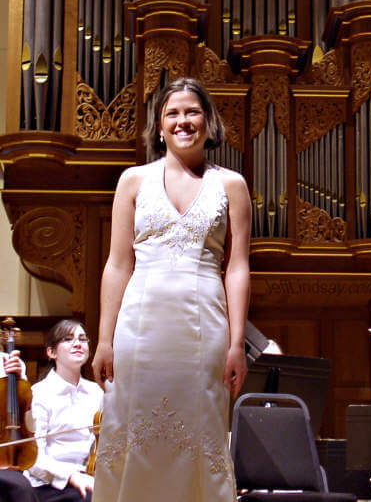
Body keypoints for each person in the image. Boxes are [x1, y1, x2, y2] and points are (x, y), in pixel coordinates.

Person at [91, 77, 251, 502]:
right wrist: (104, 339)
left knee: (200, 427)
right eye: (173, 113)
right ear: (159, 126)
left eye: (192, 111)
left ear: (208, 121)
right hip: (140, 325)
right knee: (133, 425)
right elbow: (117, 264)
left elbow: (237, 267)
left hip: (205, 324)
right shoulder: (133, 180)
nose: (183, 121)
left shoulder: (232, 185)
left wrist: (237, 343)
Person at [25, 319, 103, 502]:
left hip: (90, 476)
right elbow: (34, 458)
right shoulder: (38, 394)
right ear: (51, 352)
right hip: (50, 483)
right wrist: (71, 476)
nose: (77, 343)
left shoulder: (97, 392)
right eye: (68, 339)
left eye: (82, 339)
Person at [0, 351, 39, 502]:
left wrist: (18, 380)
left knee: (19, 486)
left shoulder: (8, 363)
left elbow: (29, 423)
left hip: (5, 465)